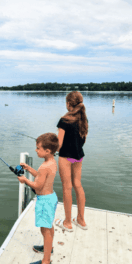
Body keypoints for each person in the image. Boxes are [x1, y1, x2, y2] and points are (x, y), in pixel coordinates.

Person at [18, 133, 58, 264]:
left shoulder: (44, 166)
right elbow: (41, 177)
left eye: (38, 148)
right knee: (49, 225)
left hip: (44, 201)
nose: (36, 150)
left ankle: (46, 262)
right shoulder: (51, 162)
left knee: (45, 230)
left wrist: (25, 180)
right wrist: (29, 169)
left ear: (47, 151)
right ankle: (49, 248)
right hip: (51, 197)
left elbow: (38, 186)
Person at [55, 91, 89, 232]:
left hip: (65, 157)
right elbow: (83, 140)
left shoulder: (64, 120)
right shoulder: (84, 119)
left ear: (69, 104)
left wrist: (51, 148)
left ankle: (68, 222)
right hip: (78, 156)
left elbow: (59, 144)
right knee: (77, 185)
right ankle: (81, 220)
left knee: (67, 187)